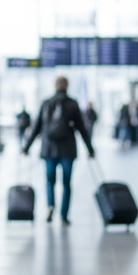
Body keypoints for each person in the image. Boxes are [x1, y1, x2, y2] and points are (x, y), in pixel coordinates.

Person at [22, 75, 95, 224]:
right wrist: (90, 148)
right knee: (67, 183)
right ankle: (64, 215)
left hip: (49, 148)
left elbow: (37, 127)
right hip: (67, 149)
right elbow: (81, 128)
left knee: (50, 180)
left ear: (55, 86)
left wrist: (26, 147)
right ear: (67, 86)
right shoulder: (73, 104)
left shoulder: (46, 103)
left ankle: (50, 206)